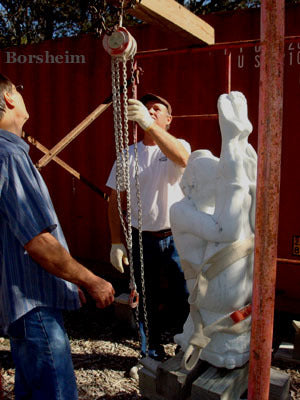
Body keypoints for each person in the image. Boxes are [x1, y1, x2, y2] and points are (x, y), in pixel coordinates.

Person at [0, 73, 115, 400]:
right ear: (9, 99)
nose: (23, 98)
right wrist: (91, 279)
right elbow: (37, 241)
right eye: (18, 93)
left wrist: (66, 281)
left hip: (23, 305)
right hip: (33, 308)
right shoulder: (9, 155)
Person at [106, 93, 191, 360]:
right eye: (146, 109)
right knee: (145, 297)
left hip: (178, 237)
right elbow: (114, 200)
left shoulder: (180, 145)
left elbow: (183, 159)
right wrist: (116, 242)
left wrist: (149, 124)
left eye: (157, 109)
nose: (151, 112)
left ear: (169, 119)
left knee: (185, 294)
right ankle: (151, 349)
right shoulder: (128, 154)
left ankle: (187, 347)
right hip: (141, 238)